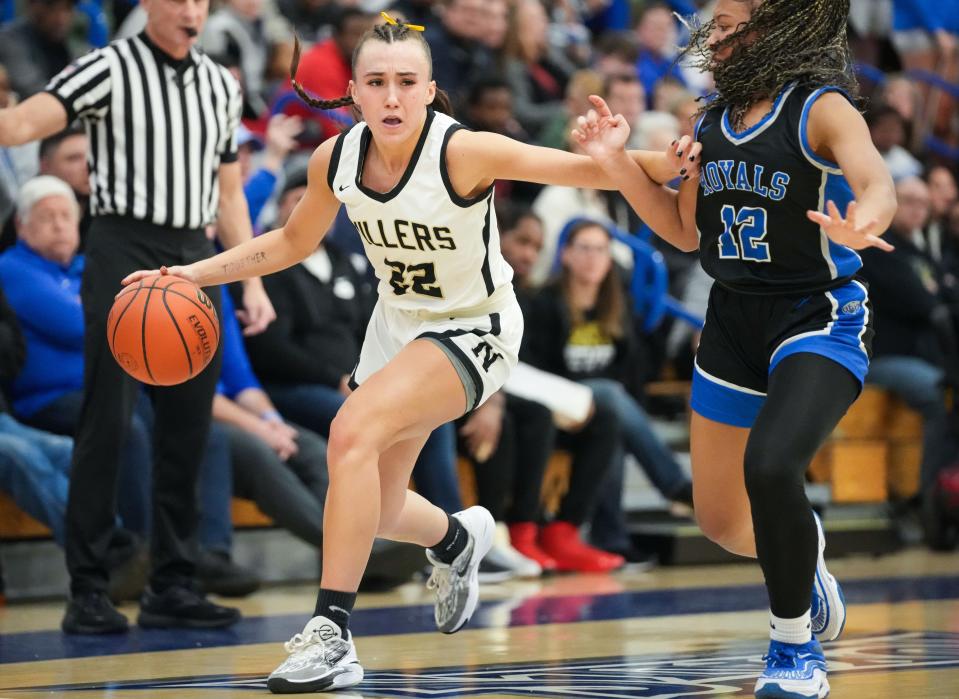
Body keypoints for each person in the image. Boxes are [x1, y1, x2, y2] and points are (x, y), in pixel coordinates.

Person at [122, 13, 686, 694]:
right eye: (377, 82)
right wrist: (191, 275)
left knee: (348, 433)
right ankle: (454, 538)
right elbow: (290, 244)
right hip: (397, 328)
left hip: (472, 326)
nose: (391, 96)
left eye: (406, 82)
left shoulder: (464, 152)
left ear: (429, 90)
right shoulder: (335, 159)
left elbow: (587, 169)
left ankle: (331, 632)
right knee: (380, 505)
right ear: (353, 91)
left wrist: (677, 162)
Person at [573, 1, 897, 697]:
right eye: (709, 25)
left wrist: (863, 221)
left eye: (724, 24)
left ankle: (792, 651)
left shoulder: (819, 107)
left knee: (772, 463)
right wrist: (615, 164)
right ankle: (801, 559)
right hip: (730, 320)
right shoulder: (707, 120)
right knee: (720, 519)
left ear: (775, 29)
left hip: (815, 314)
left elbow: (875, 179)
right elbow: (685, 232)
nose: (709, 37)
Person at [0, 0, 276, 634]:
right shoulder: (106, 67)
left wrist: (250, 279)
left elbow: (230, 193)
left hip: (194, 257)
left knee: (188, 427)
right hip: (123, 245)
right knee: (110, 419)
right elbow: (21, 126)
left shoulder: (218, 84)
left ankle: (173, 582)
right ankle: (89, 587)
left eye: (200, 1)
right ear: (149, 5)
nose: (189, 10)